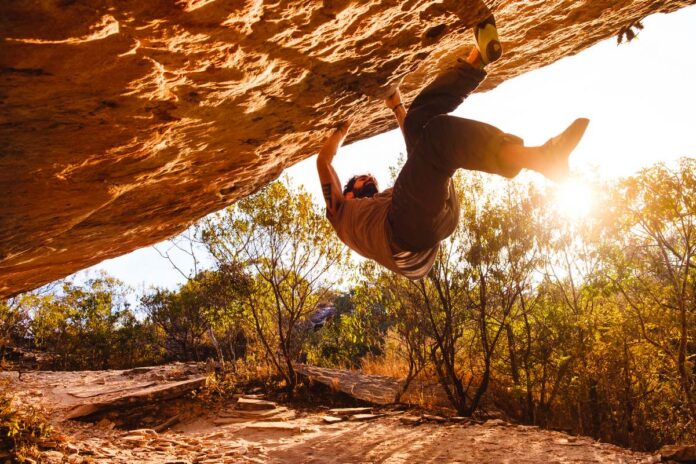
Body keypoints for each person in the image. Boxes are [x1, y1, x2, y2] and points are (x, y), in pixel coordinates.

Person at [316, 14, 589, 280]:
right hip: (405, 236)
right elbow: (323, 162)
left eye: (367, 181)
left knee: (420, 125)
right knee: (439, 135)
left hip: (435, 223)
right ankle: (540, 158)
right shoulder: (339, 215)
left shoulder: (383, 203)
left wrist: (397, 108)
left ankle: (477, 60)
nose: (369, 182)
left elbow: (417, 154)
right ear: (348, 194)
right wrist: (342, 128)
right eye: (364, 183)